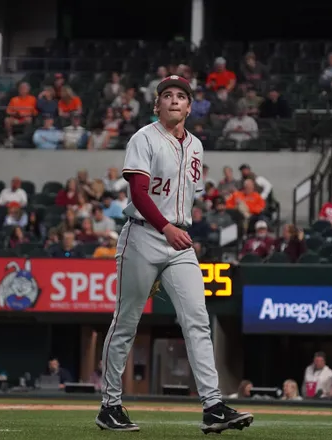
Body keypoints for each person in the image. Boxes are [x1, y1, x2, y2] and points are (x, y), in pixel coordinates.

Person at [96, 75, 252, 434]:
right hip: (142, 236)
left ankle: (213, 406)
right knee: (126, 322)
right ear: (157, 105)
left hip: (178, 241)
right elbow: (138, 193)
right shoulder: (143, 138)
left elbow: (187, 195)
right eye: (167, 95)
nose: (174, 101)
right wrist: (167, 226)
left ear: (190, 106)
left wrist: (177, 228)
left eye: (181, 96)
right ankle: (110, 405)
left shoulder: (196, 145)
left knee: (197, 319)